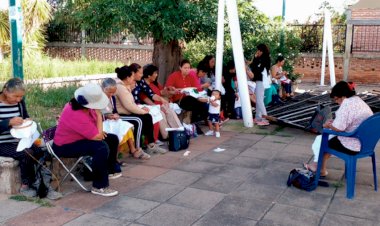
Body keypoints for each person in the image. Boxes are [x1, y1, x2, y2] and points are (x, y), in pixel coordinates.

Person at [53, 83, 120, 197]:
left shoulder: (85, 107)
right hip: (65, 146)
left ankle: (109, 170)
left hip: (79, 138)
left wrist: (98, 131)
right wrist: (99, 114)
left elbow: (96, 131)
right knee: (100, 147)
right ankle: (99, 186)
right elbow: (97, 136)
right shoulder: (75, 113)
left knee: (112, 139)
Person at [0, 78, 62, 199]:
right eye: (16, 96)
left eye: (21, 96)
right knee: (27, 153)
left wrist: (27, 121)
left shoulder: (19, 102)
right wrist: (8, 122)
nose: (19, 99)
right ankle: (26, 185)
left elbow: (25, 117)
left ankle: (43, 185)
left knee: (43, 151)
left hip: (20, 140)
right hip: (2, 144)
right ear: (5, 91)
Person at [303, 81, 373, 176]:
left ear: (342, 96)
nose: (336, 102)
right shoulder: (358, 100)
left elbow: (338, 128)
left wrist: (328, 125)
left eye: (336, 99)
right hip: (366, 143)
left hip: (353, 144)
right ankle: (319, 166)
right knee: (327, 139)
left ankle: (318, 167)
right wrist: (334, 124)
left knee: (321, 140)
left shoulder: (347, 104)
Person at [114, 65, 167, 154]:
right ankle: (137, 148)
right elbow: (129, 106)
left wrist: (143, 111)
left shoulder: (125, 86)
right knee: (139, 120)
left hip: (128, 111)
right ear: (127, 78)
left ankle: (151, 145)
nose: (133, 78)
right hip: (121, 114)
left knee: (148, 117)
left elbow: (132, 104)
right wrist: (142, 111)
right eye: (132, 76)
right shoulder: (120, 88)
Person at [101, 78, 150, 160]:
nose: (111, 94)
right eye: (109, 92)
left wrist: (114, 115)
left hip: (111, 120)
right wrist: (108, 116)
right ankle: (116, 158)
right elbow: (98, 114)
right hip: (102, 122)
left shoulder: (112, 97)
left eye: (113, 92)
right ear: (103, 89)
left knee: (126, 126)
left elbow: (114, 110)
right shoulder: (99, 99)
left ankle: (133, 150)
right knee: (124, 127)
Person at [165, 59, 209, 123]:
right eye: (185, 68)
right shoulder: (174, 75)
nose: (187, 69)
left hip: (190, 98)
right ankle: (193, 123)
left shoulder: (191, 76)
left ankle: (193, 123)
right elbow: (167, 87)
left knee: (203, 104)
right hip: (179, 99)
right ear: (180, 68)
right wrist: (175, 89)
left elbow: (196, 88)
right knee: (194, 102)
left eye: (188, 68)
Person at [142, 64, 182, 130]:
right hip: (153, 107)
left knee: (170, 111)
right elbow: (146, 99)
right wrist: (158, 107)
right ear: (149, 75)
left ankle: (179, 131)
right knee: (163, 113)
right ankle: (170, 134)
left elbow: (161, 92)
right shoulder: (143, 86)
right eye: (155, 73)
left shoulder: (154, 83)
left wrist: (171, 91)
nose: (156, 75)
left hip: (161, 105)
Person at [250, 44, 271, 126]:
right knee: (259, 99)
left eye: (258, 50)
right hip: (259, 80)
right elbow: (253, 66)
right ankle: (258, 117)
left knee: (259, 100)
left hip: (262, 80)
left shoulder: (265, 59)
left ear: (261, 51)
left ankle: (264, 118)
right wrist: (255, 58)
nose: (257, 52)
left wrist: (256, 60)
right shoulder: (260, 58)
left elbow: (257, 69)